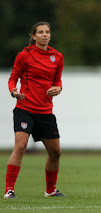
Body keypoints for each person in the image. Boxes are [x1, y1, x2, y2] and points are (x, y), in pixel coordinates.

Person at [6, 22, 65, 198]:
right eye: (40, 32)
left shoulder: (57, 56)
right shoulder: (24, 55)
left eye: (47, 32)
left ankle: (50, 191)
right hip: (25, 108)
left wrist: (58, 88)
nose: (45, 35)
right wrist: (13, 91)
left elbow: (58, 80)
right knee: (21, 146)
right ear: (33, 36)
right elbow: (13, 78)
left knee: (56, 152)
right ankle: (9, 190)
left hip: (46, 111)